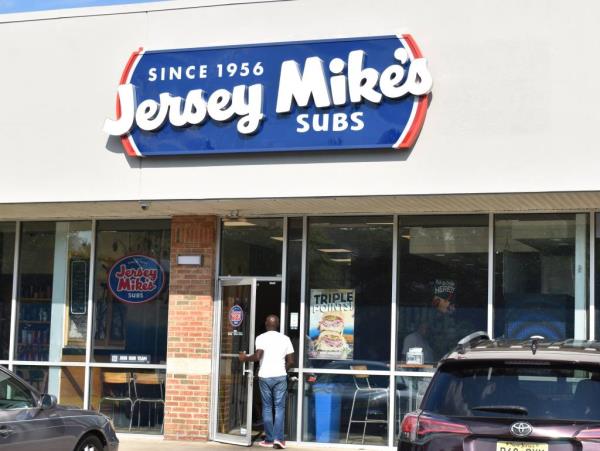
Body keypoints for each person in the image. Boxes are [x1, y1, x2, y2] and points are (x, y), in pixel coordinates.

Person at [239, 315, 294, 449]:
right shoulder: (285, 339)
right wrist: (283, 370)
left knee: (267, 408)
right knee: (279, 408)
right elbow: (291, 361)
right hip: (280, 376)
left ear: (265, 324)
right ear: (278, 324)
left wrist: (244, 358)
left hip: (265, 377)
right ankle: (279, 439)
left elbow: (258, 356)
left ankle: (269, 440)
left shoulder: (261, 337)